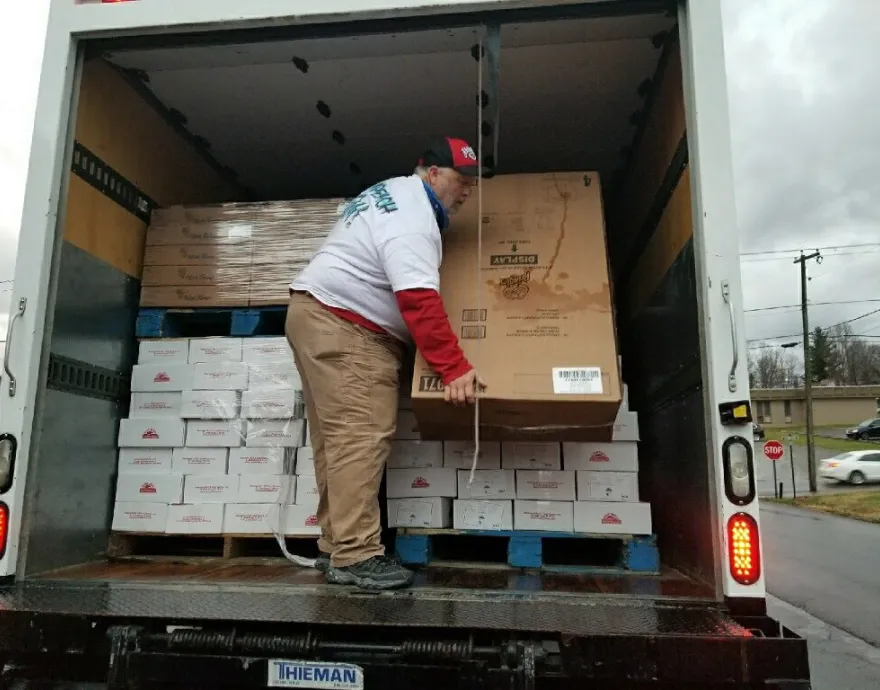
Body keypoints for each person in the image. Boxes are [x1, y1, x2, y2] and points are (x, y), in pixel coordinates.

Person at [285, 137, 486, 590]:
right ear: (432, 172)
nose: (467, 190)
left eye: (472, 182)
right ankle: (356, 555)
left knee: (336, 442)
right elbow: (417, 299)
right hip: (347, 326)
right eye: (461, 179)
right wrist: (453, 368)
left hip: (314, 314)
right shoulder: (414, 219)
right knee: (360, 437)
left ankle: (337, 546)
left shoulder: (390, 191)